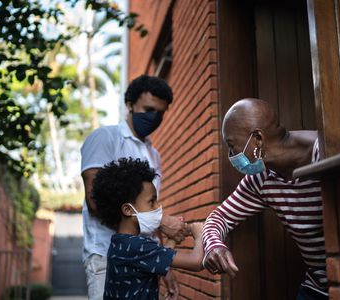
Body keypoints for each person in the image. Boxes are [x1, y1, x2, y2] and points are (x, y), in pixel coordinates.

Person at [202, 98, 327, 300]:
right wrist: (213, 244)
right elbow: (219, 218)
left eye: (231, 145)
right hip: (317, 287)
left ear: (257, 139)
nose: (231, 155)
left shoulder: (326, 151)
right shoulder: (260, 179)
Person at [81, 75, 187, 300]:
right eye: (148, 109)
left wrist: (164, 265)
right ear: (130, 104)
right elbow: (94, 201)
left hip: (145, 259)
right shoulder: (105, 138)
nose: (153, 117)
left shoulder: (153, 154)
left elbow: (148, 207)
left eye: (160, 113)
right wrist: (162, 221)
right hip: (107, 257)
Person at [91, 158, 204, 300]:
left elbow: (157, 258)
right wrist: (199, 233)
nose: (158, 207)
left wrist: (172, 239)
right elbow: (196, 262)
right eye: (152, 202)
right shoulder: (136, 246)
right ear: (127, 210)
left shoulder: (120, 243)